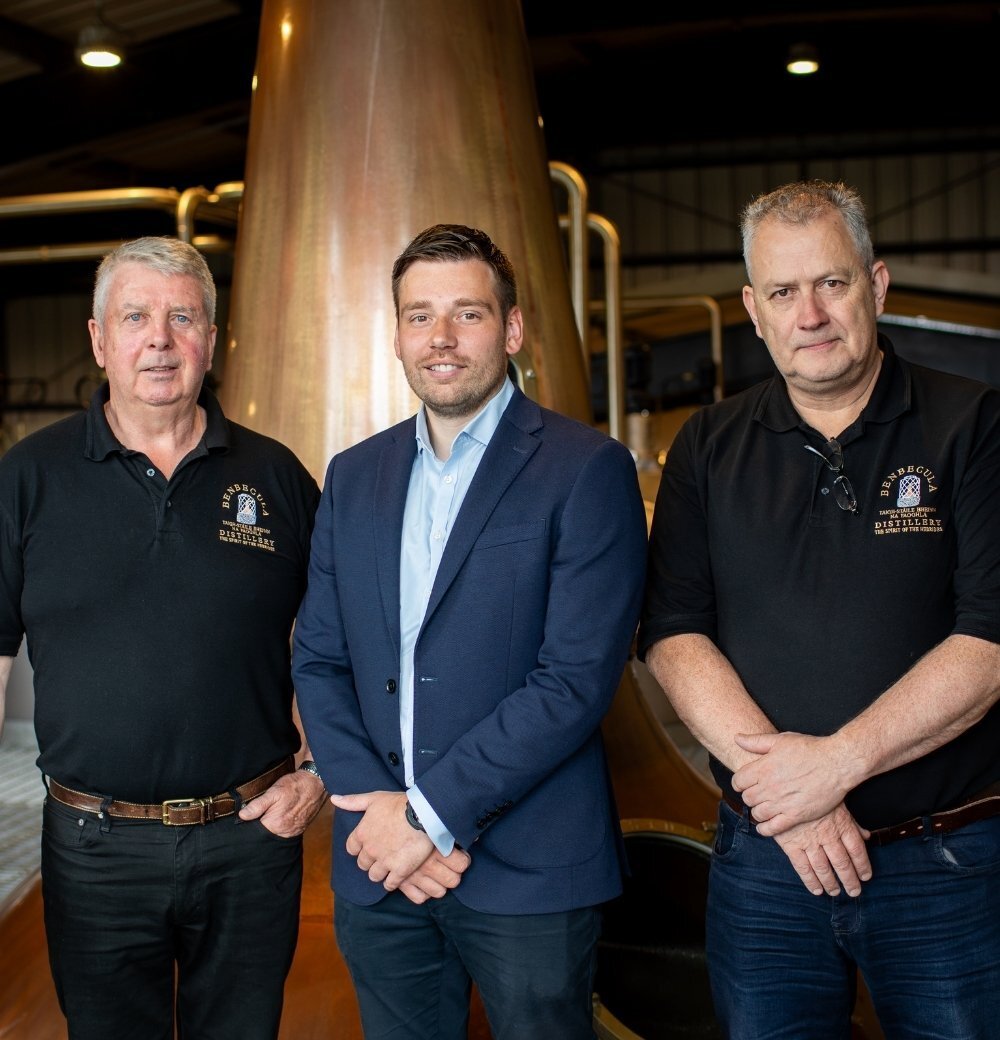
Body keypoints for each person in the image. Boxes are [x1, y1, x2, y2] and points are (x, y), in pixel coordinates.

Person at [639, 179, 1000, 1038]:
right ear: (752, 310)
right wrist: (791, 802)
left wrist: (835, 766)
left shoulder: (972, 424)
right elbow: (672, 631)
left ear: (875, 285)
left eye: (831, 283)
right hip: (766, 867)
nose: (810, 314)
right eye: (783, 292)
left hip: (944, 863)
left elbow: (990, 639)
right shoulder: (707, 445)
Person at [292, 223, 647, 1039]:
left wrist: (425, 819)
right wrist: (385, 818)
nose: (441, 339)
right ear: (397, 334)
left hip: (528, 874)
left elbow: (574, 681)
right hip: (380, 868)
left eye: (468, 314)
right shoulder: (355, 475)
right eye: (419, 316)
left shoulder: (585, 469)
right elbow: (318, 657)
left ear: (512, 328)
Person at [0, 236, 327, 1040]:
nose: (159, 338)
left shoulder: (277, 477)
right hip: (93, 845)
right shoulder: (28, 477)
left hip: (252, 838)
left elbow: (333, 646)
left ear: (211, 341)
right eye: (137, 316)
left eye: (183, 317)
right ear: (98, 338)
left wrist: (317, 771)